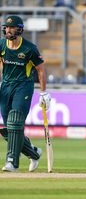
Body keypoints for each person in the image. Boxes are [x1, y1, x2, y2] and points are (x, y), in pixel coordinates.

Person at [0, 15, 51, 172]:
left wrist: (43, 93)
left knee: (15, 122)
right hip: (6, 85)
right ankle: (33, 152)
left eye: (12, 27)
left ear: (19, 29)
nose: (9, 30)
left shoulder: (29, 48)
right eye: (7, 27)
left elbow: (40, 71)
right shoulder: (1, 45)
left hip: (24, 85)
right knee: (8, 129)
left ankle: (12, 162)